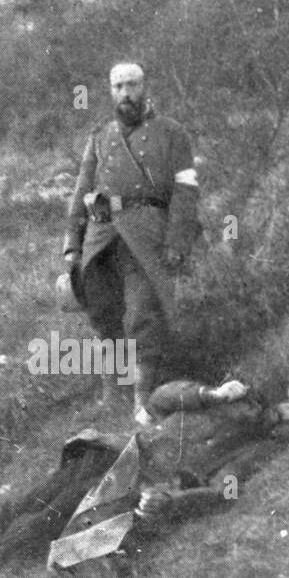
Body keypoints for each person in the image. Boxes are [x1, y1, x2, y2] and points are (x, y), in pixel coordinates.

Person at [0, 372, 289, 578]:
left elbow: (224, 489)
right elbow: (160, 399)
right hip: (116, 449)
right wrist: (212, 395)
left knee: (45, 519)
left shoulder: (254, 448)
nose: (288, 421)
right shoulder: (229, 398)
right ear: (286, 399)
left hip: (136, 479)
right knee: (24, 501)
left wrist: (174, 500)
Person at [62, 62, 202, 424]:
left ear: (145, 87)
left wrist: (177, 240)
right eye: (119, 86)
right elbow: (82, 189)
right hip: (103, 235)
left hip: (146, 232)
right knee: (103, 311)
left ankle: (142, 402)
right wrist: (72, 245)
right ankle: (116, 391)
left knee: (142, 314)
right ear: (110, 91)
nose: (126, 93)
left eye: (133, 85)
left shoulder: (171, 134)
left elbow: (186, 190)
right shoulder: (100, 137)